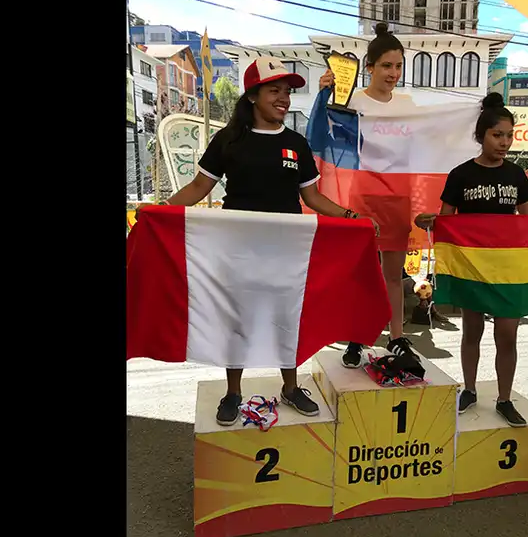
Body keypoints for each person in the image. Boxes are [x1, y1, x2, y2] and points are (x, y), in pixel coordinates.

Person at [137, 57, 378, 426]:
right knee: (237, 320)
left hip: (287, 253)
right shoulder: (230, 140)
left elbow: (313, 199)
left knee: (287, 316)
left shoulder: (296, 143)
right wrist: (160, 211)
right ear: (252, 95)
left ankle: (290, 387)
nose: (283, 98)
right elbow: (200, 187)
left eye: (287, 92)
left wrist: (351, 217)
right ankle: (234, 392)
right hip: (238, 250)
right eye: (274, 91)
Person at [414, 93, 528, 427]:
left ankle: (504, 398)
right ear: (481, 135)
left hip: (507, 270)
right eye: (498, 135)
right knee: (472, 331)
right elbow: (447, 222)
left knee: (507, 335)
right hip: (471, 267)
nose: (505, 142)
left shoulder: (517, 176)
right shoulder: (460, 175)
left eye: (509, 135)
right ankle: (469, 390)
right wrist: (431, 220)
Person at [318, 22, 422, 369]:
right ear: (370, 67)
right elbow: (322, 136)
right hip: (361, 199)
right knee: (359, 274)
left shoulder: (409, 105)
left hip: (397, 199)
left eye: (398, 66)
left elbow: (433, 141)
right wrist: (323, 96)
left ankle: (396, 337)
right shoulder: (352, 101)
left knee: (394, 274)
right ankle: (356, 338)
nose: (393, 73)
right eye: (386, 66)